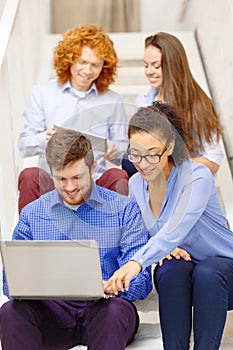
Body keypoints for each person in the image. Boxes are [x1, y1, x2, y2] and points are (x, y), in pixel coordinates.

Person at [0, 127, 152, 350]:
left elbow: (143, 282)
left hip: (105, 308)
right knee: (10, 313)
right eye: (61, 179)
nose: (70, 187)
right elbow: (8, 284)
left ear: (92, 168)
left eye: (77, 177)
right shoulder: (33, 214)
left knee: (113, 312)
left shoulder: (124, 209)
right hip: (52, 313)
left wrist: (115, 285)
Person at [105, 102, 233, 350]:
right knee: (170, 268)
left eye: (153, 153)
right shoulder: (135, 185)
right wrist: (164, 246)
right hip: (185, 271)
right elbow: (146, 233)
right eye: (135, 153)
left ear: (170, 147)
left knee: (207, 271)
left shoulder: (197, 177)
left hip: (225, 270)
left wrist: (140, 260)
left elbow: (178, 225)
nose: (143, 163)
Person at [18, 24, 129, 213]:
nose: (87, 71)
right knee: (29, 175)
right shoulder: (42, 93)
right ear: (69, 59)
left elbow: (124, 153)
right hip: (54, 182)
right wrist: (45, 137)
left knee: (118, 175)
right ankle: (28, 240)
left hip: (93, 185)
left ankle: (113, 237)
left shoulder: (113, 100)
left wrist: (113, 149)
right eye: (82, 62)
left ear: (104, 66)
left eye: (96, 65)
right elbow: (24, 146)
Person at [122, 31, 224, 177]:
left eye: (156, 66)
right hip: (152, 177)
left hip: (183, 178)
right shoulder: (143, 101)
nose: (149, 71)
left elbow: (213, 160)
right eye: (146, 66)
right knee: (127, 162)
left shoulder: (198, 104)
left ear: (173, 66)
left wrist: (173, 165)